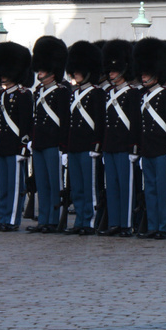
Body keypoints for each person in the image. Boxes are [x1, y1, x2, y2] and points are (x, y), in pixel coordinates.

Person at [133, 38, 166, 239]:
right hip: (148, 149)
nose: (144, 76)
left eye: (148, 73)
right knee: (150, 189)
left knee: (165, 190)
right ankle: (153, 224)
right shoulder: (142, 96)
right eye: (142, 73)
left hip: (163, 149)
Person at [26, 36, 70, 234]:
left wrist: (63, 145)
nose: (39, 73)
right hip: (39, 143)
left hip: (53, 143)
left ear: (52, 71)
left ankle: (54, 220)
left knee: (54, 183)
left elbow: (64, 120)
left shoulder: (61, 91)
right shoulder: (38, 92)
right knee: (41, 183)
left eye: (43, 70)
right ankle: (43, 219)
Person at [0, 42, 33, 232]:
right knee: (4, 185)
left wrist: (24, 146)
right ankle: (4, 217)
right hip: (3, 145)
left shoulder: (23, 95)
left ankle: (13, 219)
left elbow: (26, 123)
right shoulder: (3, 94)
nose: (3, 75)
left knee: (15, 186)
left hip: (16, 146)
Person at [99, 39, 141, 237]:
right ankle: (115, 222)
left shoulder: (132, 94)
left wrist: (133, 147)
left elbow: (134, 122)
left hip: (125, 146)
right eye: (110, 71)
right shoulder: (109, 93)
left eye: (115, 71)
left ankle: (127, 223)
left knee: (126, 187)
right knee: (112, 186)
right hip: (110, 145)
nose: (111, 74)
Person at [63, 41, 106, 234]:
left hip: (89, 146)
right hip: (75, 146)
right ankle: (79, 220)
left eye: (78, 71)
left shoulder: (97, 94)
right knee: (77, 188)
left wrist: (96, 145)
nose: (74, 74)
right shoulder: (74, 93)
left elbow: (99, 121)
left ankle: (89, 221)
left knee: (89, 188)